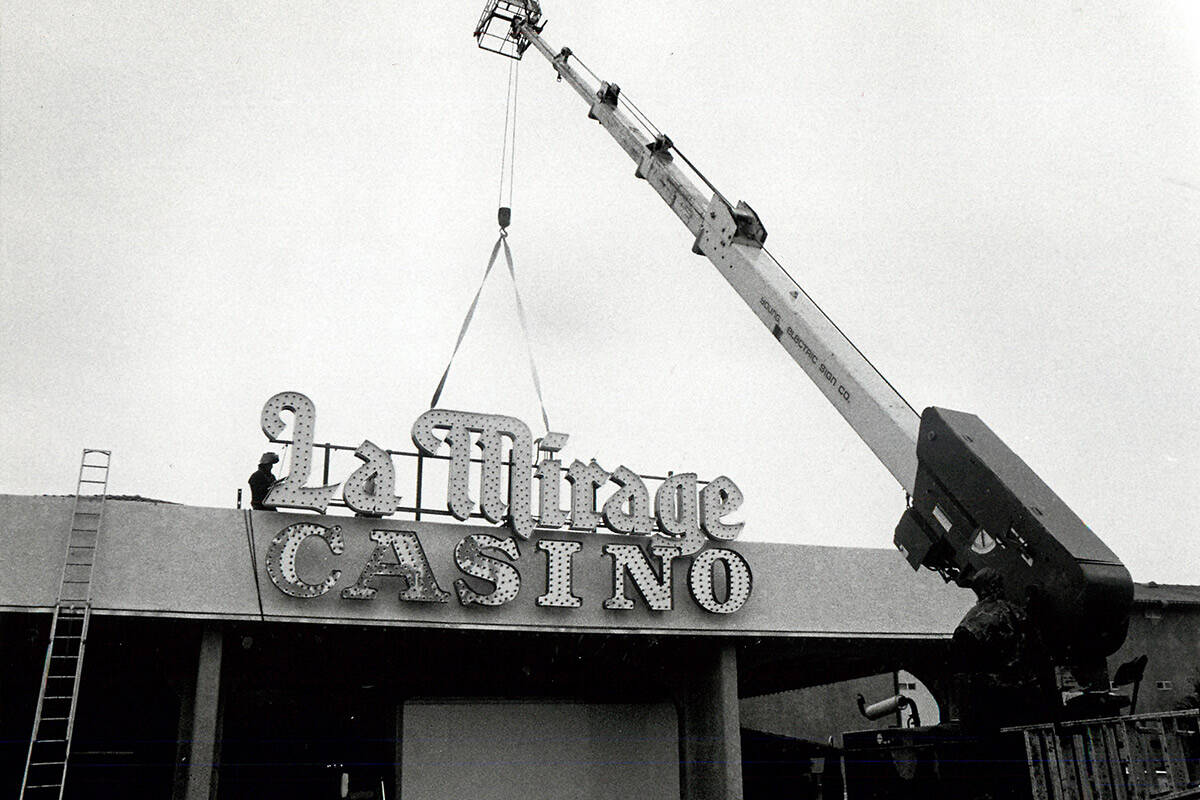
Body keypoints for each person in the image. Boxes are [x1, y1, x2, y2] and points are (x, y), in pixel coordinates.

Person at [952, 567, 1051, 729]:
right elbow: (1040, 656)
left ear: (978, 589)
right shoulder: (1020, 614)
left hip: (993, 708)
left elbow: (964, 672)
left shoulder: (971, 623)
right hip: (1028, 704)